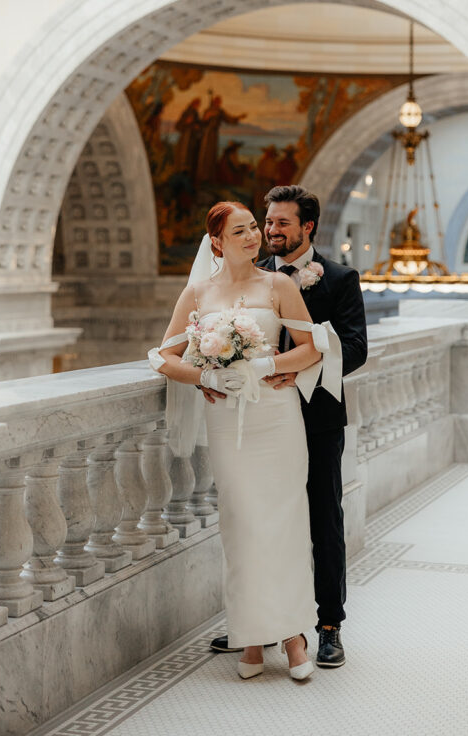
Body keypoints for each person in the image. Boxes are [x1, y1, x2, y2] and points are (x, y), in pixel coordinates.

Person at [150, 201, 330, 681]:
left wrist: (266, 366)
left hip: (276, 417)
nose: (254, 236)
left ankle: (293, 638)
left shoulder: (279, 284)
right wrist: (205, 376)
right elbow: (161, 356)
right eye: (241, 231)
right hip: (227, 421)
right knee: (242, 524)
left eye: (255, 228)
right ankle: (250, 637)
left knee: (283, 523)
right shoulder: (197, 291)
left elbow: (313, 348)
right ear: (216, 241)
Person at [210, 185, 368, 668]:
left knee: (322, 519)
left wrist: (289, 368)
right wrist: (215, 369)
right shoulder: (249, 278)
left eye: (281, 223)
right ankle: (257, 622)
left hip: (315, 418)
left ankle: (328, 626)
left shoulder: (339, 278)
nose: (271, 230)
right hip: (257, 418)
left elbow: (355, 348)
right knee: (257, 519)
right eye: (267, 221)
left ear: (308, 228)